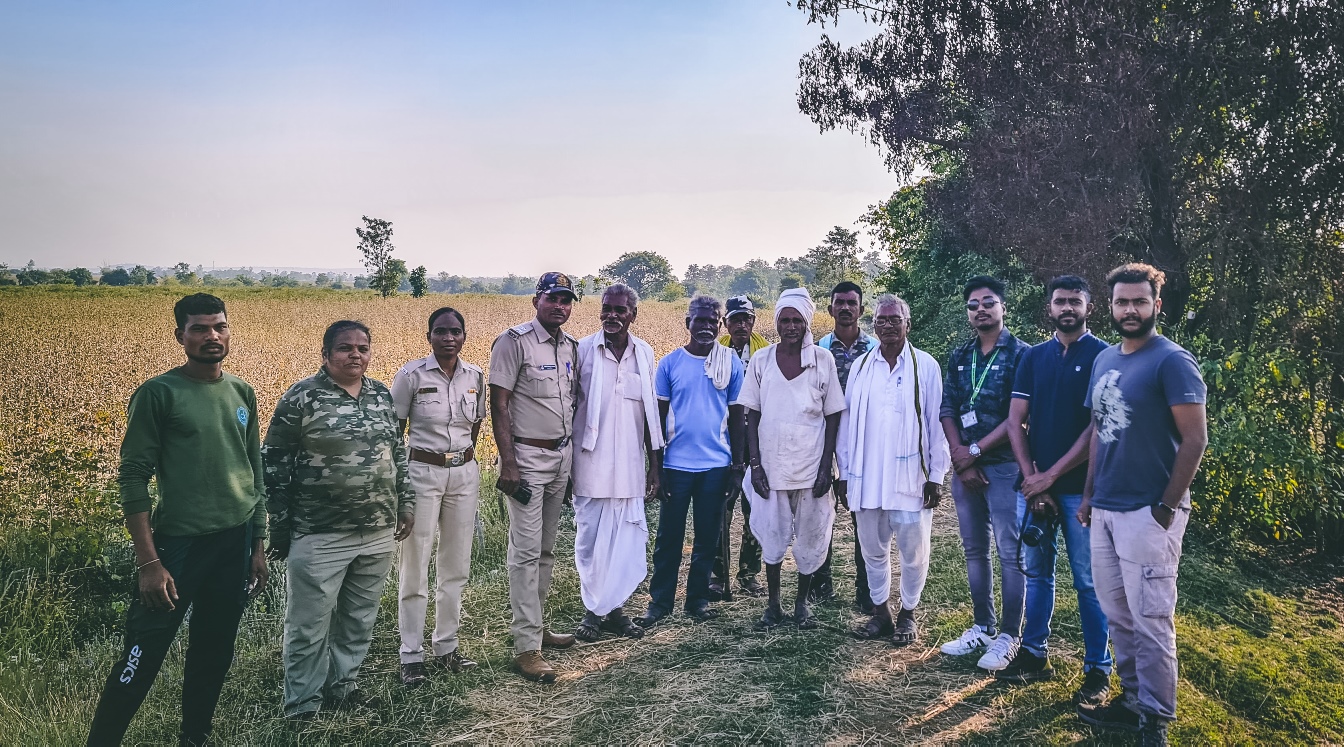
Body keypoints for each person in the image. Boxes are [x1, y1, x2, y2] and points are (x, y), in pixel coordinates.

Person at [86, 294, 268, 747]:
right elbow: (133, 476)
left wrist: (257, 545)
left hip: (235, 541)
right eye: (200, 328)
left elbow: (254, 471)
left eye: (219, 326)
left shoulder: (241, 392)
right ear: (180, 336)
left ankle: (195, 737)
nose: (212, 336)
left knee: (214, 648)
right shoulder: (158, 394)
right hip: (178, 546)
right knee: (141, 653)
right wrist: (149, 563)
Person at [1076, 264, 1207, 747]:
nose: (1130, 309)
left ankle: (1155, 719)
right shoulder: (1105, 359)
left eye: (1139, 301)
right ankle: (1132, 702)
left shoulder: (1172, 361)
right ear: (1109, 307)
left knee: (1151, 619)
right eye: (1122, 302)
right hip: (1106, 508)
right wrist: (1088, 495)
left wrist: (1166, 507)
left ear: (1157, 305)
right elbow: (1099, 430)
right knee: (1119, 614)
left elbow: (1195, 440)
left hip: (1148, 512)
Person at [264, 320, 414, 720]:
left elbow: (397, 452)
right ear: (326, 353)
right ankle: (302, 706)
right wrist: (280, 525)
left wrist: (406, 502)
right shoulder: (302, 396)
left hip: (377, 529)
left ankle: (343, 687)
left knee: (359, 619)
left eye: (363, 348)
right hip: (320, 532)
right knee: (309, 626)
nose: (355, 355)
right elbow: (274, 464)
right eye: (346, 348)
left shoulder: (380, 394)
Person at [1000, 276, 1113, 705]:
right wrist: (1033, 479)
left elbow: (1096, 428)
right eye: (1060, 301)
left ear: (1089, 307)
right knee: (1038, 575)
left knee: (1088, 581)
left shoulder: (1104, 356)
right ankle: (1034, 654)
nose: (1067, 308)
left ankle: (1098, 668)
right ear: (1049, 308)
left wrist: (1050, 477)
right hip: (1035, 489)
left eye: (1074, 301)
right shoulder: (1033, 357)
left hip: (1082, 492)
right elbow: (1015, 422)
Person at [836, 294, 948, 646]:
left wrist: (936, 475)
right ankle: (881, 612)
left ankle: (908, 613)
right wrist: (843, 474)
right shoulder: (861, 367)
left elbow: (937, 423)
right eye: (881, 320)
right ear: (874, 326)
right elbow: (846, 423)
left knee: (914, 551)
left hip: (910, 477)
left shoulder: (925, 365)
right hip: (867, 475)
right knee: (872, 549)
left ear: (907, 324)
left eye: (894, 319)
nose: (887, 326)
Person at [489, 272, 581, 682]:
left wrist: (571, 463)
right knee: (525, 552)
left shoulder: (570, 346)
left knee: (545, 551)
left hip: (561, 457)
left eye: (566, 299)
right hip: (526, 458)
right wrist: (508, 462)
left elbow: (571, 405)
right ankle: (526, 648)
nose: (560, 305)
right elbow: (499, 404)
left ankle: (538, 628)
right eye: (553, 298)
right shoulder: (514, 342)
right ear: (536, 300)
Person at [938, 275, 1031, 671]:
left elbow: (1018, 419)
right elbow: (947, 408)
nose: (981, 310)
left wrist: (974, 452)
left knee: (1010, 552)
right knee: (975, 550)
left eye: (988, 302)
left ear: (1003, 307)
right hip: (966, 470)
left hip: (1007, 467)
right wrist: (960, 457)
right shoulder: (960, 355)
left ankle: (1010, 635)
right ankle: (983, 626)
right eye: (973, 305)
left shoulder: (1022, 355)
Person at [741, 288, 846, 630]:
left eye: (796, 321)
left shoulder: (822, 360)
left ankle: (802, 604)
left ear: (807, 323)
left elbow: (833, 415)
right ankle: (773, 605)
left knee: (812, 536)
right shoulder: (761, 360)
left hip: (811, 465)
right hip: (771, 466)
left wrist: (827, 466)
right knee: (772, 535)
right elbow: (751, 414)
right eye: (784, 320)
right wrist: (755, 465)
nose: (790, 327)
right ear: (776, 322)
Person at [391, 307, 485, 688]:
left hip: (463, 472)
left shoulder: (475, 376)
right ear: (429, 335)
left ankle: (447, 647)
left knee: (455, 564)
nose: (449, 338)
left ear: (464, 336)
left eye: (455, 331)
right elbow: (395, 431)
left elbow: (475, 425)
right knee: (415, 565)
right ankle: (411, 655)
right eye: (441, 331)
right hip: (422, 473)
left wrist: (461, 460)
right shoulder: (411, 376)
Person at [639, 296, 746, 627]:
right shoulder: (670, 364)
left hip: (716, 466)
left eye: (712, 321)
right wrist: (656, 468)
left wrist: (737, 468)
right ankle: (660, 603)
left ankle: (697, 600)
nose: (706, 327)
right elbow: (656, 420)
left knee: (707, 538)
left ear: (720, 325)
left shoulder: (730, 362)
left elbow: (737, 416)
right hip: (676, 466)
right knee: (668, 538)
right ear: (688, 323)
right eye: (699, 320)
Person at [571, 284, 664, 642]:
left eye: (620, 310)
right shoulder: (583, 350)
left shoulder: (645, 353)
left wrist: (654, 465)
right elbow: (569, 407)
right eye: (607, 308)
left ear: (633, 315)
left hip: (629, 466)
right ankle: (593, 612)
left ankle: (615, 611)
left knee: (624, 541)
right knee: (591, 541)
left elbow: (650, 414)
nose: (612, 315)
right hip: (589, 464)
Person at [814, 280, 881, 610]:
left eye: (851, 303)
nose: (845, 308)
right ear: (830, 309)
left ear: (861, 309)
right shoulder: (818, 349)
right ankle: (820, 585)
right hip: (822, 442)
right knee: (821, 515)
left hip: (862, 443)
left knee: (864, 519)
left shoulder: (876, 350)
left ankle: (866, 591)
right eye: (839, 302)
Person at [711, 295, 768, 597]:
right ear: (726, 323)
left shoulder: (767, 353)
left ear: (754, 321)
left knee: (755, 508)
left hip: (757, 439)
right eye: (735, 319)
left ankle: (749, 574)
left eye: (747, 319)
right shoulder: (715, 353)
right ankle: (717, 575)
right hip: (724, 439)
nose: (742, 325)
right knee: (721, 508)